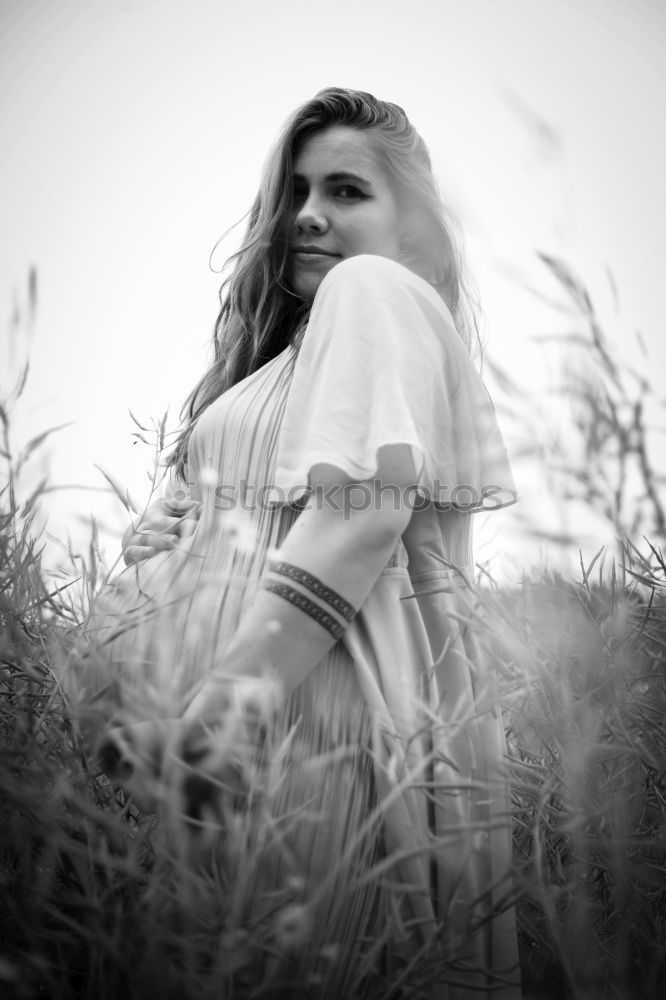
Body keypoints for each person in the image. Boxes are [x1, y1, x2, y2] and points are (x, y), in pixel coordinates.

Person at [77, 87, 522, 999]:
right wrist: (161, 547)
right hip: (249, 743)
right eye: (296, 191)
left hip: (307, 740)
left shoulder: (375, 289)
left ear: (413, 224)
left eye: (347, 191)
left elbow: (361, 517)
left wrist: (209, 733)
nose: (308, 214)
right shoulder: (297, 352)